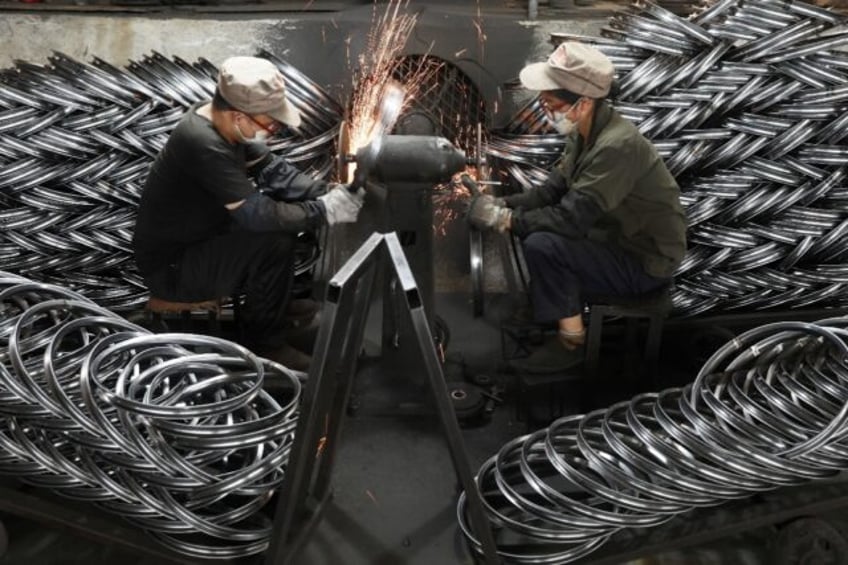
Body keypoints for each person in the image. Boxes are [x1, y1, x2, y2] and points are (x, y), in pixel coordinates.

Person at [466, 41, 687, 374]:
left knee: (544, 243)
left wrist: (505, 219)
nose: (544, 109)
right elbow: (549, 192)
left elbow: (569, 220)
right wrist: (501, 203)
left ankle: (572, 344)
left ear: (582, 104)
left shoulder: (617, 147)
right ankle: (548, 308)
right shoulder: (583, 133)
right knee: (538, 236)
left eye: (550, 103)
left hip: (644, 261)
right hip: (615, 239)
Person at [132, 56, 365, 371]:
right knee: (274, 240)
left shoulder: (222, 121)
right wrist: (323, 211)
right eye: (269, 124)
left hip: (203, 240)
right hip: (173, 267)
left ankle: (275, 310)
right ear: (238, 115)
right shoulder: (203, 141)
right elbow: (257, 215)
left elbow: (276, 173)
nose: (272, 131)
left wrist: (327, 193)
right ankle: (267, 346)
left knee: (283, 226)